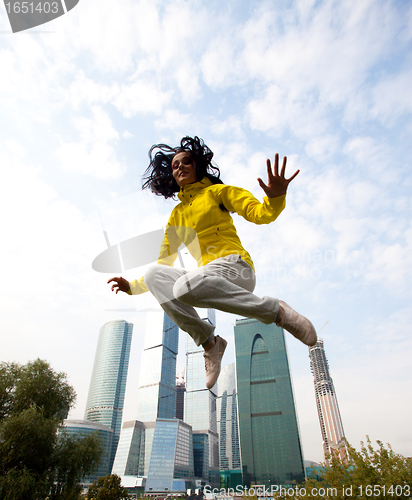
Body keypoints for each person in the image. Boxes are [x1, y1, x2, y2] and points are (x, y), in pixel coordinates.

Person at [108, 136, 316, 389]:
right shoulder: (177, 215)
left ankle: (278, 312)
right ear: (171, 175)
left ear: (197, 166)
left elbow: (260, 214)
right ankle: (210, 344)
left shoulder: (218, 192)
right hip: (206, 278)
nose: (180, 167)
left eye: (186, 162)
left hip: (236, 268)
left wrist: (275, 198)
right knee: (155, 274)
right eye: (175, 165)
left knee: (184, 287)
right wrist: (132, 286)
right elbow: (164, 262)